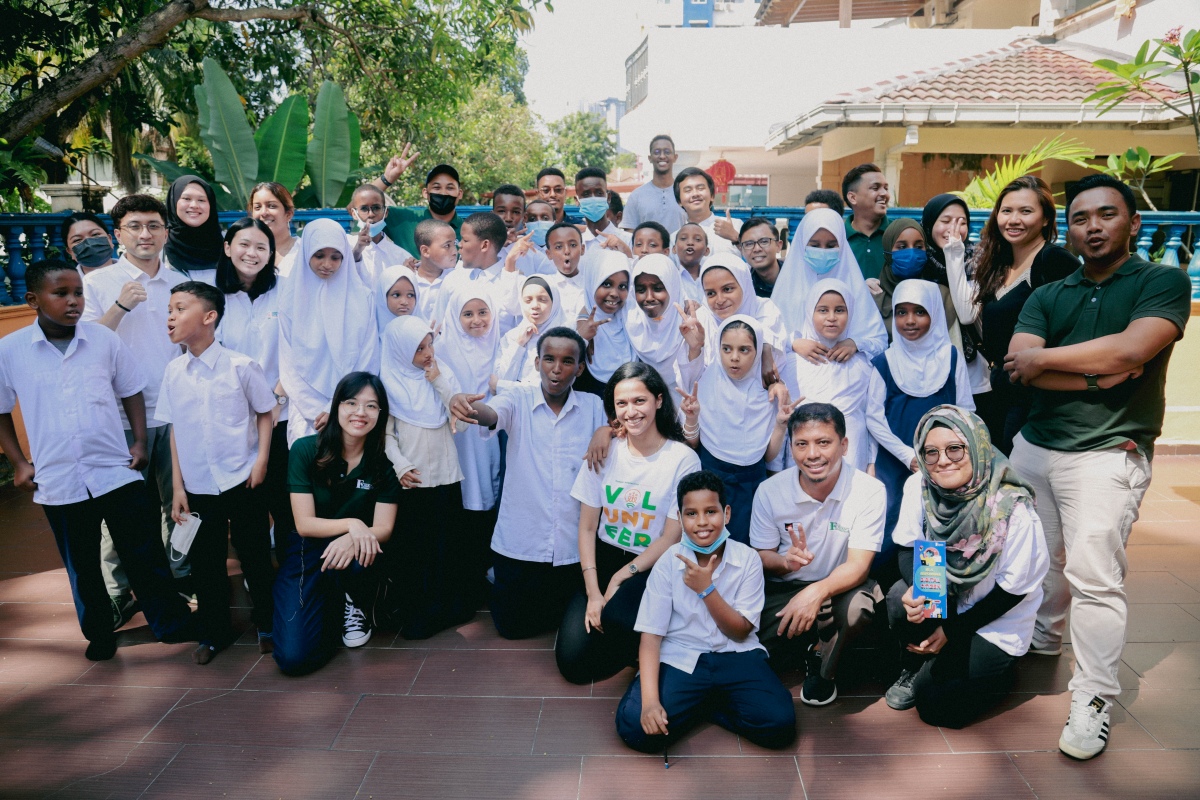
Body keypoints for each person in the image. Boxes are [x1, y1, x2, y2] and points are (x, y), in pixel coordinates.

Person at [1004, 174, 1190, 760]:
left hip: (1109, 452)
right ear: (1070, 228)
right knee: (1039, 559)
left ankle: (1093, 698)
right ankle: (1043, 636)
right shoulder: (1049, 292)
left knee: (1094, 576)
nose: (1093, 226)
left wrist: (1047, 361)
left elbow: (1133, 350)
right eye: (1081, 218)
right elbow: (1016, 363)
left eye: (1106, 215)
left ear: (1132, 223)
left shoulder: (1161, 281)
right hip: (1035, 447)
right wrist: (1097, 373)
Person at [0, 259, 196, 661]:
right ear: (33, 299)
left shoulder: (103, 340)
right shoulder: (10, 350)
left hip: (114, 470)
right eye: (61, 294)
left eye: (78, 293)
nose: (73, 301)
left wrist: (139, 442)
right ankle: (99, 633)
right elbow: (1, 408)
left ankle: (171, 622)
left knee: (144, 552)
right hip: (59, 479)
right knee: (83, 563)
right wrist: (20, 463)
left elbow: (131, 390)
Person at [884, 405, 1047, 729]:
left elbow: (1012, 591)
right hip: (944, 595)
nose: (942, 460)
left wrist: (951, 631)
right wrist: (920, 589)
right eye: (931, 452)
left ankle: (1000, 669)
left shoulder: (1012, 508)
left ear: (977, 447)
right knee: (899, 599)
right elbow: (907, 546)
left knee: (937, 706)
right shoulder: (920, 486)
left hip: (994, 617)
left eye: (954, 449)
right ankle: (916, 664)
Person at [615, 470, 796, 753]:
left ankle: (704, 705)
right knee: (635, 728)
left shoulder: (747, 559)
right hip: (681, 657)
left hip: (735, 654)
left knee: (780, 725)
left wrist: (706, 590)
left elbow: (740, 631)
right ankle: (702, 701)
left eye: (711, 512)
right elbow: (650, 637)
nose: (702, 522)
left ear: (726, 513)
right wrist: (650, 702)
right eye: (691, 514)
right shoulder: (667, 563)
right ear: (681, 517)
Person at [450, 327, 610, 639]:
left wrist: (608, 430)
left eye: (567, 362)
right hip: (521, 544)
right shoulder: (517, 398)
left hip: (572, 548)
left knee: (573, 626)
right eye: (549, 359)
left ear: (579, 368)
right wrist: (467, 406)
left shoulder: (593, 406)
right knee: (512, 628)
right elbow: (491, 413)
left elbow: (624, 424)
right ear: (537, 363)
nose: (556, 368)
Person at [557, 362, 702, 684]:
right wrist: (595, 592)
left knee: (617, 618)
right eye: (622, 403)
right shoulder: (604, 451)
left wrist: (622, 577)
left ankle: (651, 642)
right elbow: (586, 527)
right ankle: (636, 642)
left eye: (640, 401)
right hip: (605, 558)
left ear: (659, 401)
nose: (631, 411)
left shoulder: (682, 459)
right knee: (573, 665)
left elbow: (671, 536)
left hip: (650, 565)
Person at [157, 282, 277, 664]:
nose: (170, 317)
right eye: (169, 309)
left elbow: (265, 412)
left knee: (254, 553)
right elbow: (175, 429)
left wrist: (260, 462)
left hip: (242, 478)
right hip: (197, 486)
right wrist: (177, 486)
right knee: (205, 563)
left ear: (209, 318)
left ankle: (268, 623)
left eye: (180, 308)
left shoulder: (241, 366)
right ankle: (213, 631)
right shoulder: (173, 371)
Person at [750, 403, 887, 706]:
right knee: (748, 650)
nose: (812, 454)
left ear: (844, 445)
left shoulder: (869, 490)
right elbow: (762, 555)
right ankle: (812, 638)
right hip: (784, 589)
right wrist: (785, 562)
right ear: (791, 447)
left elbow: (859, 566)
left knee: (859, 608)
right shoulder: (770, 491)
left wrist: (815, 593)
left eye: (823, 442)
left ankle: (823, 664)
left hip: (838, 590)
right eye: (802, 444)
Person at [83, 194, 189, 580]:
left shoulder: (180, 283)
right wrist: (120, 307)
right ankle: (118, 588)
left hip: (173, 410)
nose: (145, 234)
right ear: (117, 235)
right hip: (120, 415)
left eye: (154, 226)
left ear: (165, 233)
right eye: (135, 226)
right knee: (121, 507)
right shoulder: (97, 283)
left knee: (177, 502)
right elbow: (84, 347)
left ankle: (178, 576)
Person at [272, 373, 399, 675]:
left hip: (357, 553)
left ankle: (354, 601)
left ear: (380, 414)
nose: (360, 412)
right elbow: (304, 524)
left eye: (371, 406)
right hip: (308, 549)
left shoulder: (384, 461)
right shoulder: (305, 450)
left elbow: (384, 528)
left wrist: (353, 536)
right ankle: (330, 603)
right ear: (336, 406)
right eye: (351, 402)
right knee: (294, 659)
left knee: (363, 556)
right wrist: (353, 524)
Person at [947, 175, 1079, 454]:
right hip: (998, 390)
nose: (1013, 220)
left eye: (1026, 211)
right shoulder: (997, 263)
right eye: (1006, 211)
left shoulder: (1054, 262)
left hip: (1038, 397)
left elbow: (1076, 331)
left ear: (1045, 219)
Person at [867, 279, 975, 580]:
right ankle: (888, 603)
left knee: (935, 527)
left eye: (919, 312)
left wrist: (953, 456)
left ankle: (929, 601)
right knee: (890, 527)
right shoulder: (884, 361)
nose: (909, 321)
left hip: (944, 464)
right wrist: (907, 456)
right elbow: (873, 417)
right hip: (896, 461)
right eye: (901, 312)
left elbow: (965, 410)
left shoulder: (951, 357)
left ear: (935, 314)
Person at [378, 315, 470, 640]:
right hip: (413, 482)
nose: (428, 353)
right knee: (417, 552)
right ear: (402, 351)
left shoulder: (440, 373)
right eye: (419, 349)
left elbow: (457, 408)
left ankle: (450, 609)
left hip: (446, 476)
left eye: (430, 344)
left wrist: (437, 380)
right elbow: (385, 436)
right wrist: (401, 465)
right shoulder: (388, 383)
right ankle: (420, 615)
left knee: (447, 546)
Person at [214, 218, 292, 559]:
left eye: (262, 246)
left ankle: (294, 581)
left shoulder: (287, 290)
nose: (252, 253)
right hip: (231, 421)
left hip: (280, 414)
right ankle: (258, 583)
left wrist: (274, 400)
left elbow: (297, 351)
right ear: (228, 248)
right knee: (246, 511)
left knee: (286, 503)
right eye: (244, 244)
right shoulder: (211, 294)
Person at [678, 316, 790, 544]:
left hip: (751, 486)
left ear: (758, 353)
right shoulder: (706, 380)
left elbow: (768, 456)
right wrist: (692, 418)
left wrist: (780, 423)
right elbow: (693, 443)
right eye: (726, 349)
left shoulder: (768, 394)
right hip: (709, 480)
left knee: (746, 551)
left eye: (745, 350)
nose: (734, 357)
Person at [278, 218, 379, 445]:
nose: (327, 264)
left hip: (353, 412)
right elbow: (287, 364)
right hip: (306, 416)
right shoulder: (289, 300)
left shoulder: (362, 298)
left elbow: (368, 356)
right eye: (319, 255)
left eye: (335, 257)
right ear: (306, 254)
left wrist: (338, 407)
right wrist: (317, 410)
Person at [439, 284, 504, 610]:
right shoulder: (444, 347)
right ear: (455, 316)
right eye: (468, 313)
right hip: (460, 436)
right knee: (466, 500)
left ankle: (492, 571)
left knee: (495, 498)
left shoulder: (501, 343)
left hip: (496, 433)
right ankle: (469, 576)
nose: (477, 320)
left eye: (483, 312)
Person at [773, 208, 888, 362]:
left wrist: (855, 343)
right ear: (802, 244)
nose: (823, 251)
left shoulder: (854, 286)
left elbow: (878, 340)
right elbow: (766, 339)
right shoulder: (787, 287)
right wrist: (792, 343)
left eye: (831, 245)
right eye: (814, 245)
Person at [788, 279, 876, 472]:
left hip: (852, 451)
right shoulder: (793, 362)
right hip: (805, 456)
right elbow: (784, 416)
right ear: (809, 311)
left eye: (839, 310)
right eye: (822, 310)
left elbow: (870, 415)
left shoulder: (862, 363)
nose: (831, 317)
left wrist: (872, 463)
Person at [625, 253, 705, 395]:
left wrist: (696, 349)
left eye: (658, 289)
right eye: (641, 290)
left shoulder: (692, 323)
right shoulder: (630, 320)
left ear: (672, 288)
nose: (649, 298)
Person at [434, 211, 521, 332]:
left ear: (485, 245)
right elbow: (437, 327)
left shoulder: (515, 283)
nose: (460, 245)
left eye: (465, 240)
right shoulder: (453, 280)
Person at [574, 249, 635, 397]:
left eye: (622, 286)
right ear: (592, 283)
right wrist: (580, 338)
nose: (614, 293)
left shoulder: (632, 319)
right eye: (606, 284)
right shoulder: (580, 330)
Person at [374, 158, 463, 256]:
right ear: (425, 193)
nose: (443, 192)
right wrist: (387, 179)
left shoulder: (469, 231)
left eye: (450, 188)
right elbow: (360, 205)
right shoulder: (403, 219)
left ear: (459, 194)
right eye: (436, 187)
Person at [494, 274, 566, 390]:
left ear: (554, 302)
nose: (535, 306)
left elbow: (550, 388)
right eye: (528, 300)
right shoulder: (512, 337)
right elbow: (499, 378)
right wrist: (519, 344)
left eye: (542, 300)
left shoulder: (565, 339)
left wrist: (502, 386)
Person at [620, 134, 687, 235]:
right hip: (647, 251)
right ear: (650, 158)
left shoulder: (686, 193)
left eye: (667, 152)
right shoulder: (636, 196)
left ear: (675, 157)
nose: (662, 156)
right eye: (657, 152)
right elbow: (629, 236)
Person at [348, 183, 413, 286]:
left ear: (385, 212)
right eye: (364, 209)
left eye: (376, 208)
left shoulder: (400, 256)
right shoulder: (345, 245)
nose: (371, 214)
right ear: (354, 214)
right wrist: (358, 250)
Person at [163, 175, 223, 282]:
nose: (194, 205)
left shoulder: (227, 245)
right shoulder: (159, 246)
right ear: (174, 202)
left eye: (201, 200)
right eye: (186, 198)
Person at [670, 168, 740, 256]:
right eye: (688, 190)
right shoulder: (674, 238)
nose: (695, 194)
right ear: (679, 201)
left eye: (700, 188)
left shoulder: (735, 225)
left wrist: (735, 237)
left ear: (712, 196)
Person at [841, 164, 889, 286]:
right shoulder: (837, 238)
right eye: (875, 188)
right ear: (853, 197)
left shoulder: (898, 235)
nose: (884, 194)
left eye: (886, 188)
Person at [494, 184, 555, 277]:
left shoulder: (533, 253)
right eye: (502, 211)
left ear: (524, 217)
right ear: (492, 214)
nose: (508, 218)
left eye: (516, 212)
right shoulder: (480, 247)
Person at [249, 181, 301, 279]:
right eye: (257, 207)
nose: (263, 213)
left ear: (288, 214)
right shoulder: (246, 253)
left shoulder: (302, 251)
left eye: (272, 206)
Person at [576, 168, 632, 255]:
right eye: (586, 194)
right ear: (577, 201)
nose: (593, 198)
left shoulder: (628, 241)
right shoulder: (574, 245)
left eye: (599, 193)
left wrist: (627, 254)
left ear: (608, 198)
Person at [411, 218, 457, 321]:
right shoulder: (408, 280)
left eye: (455, 244)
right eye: (447, 245)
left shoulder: (458, 279)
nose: (454, 251)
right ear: (425, 251)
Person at [739, 217, 782, 298]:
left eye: (764, 242)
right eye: (749, 244)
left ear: (778, 246)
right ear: (742, 250)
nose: (757, 249)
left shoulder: (796, 277)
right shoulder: (742, 284)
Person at [673, 221, 709, 304]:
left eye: (697, 239)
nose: (690, 243)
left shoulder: (713, 278)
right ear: (674, 249)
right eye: (683, 238)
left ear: (706, 251)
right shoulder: (671, 278)